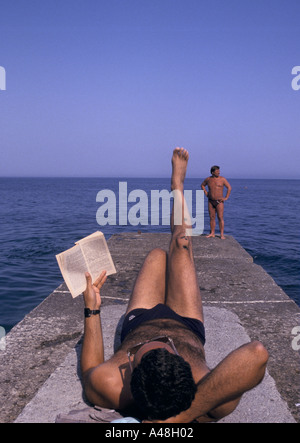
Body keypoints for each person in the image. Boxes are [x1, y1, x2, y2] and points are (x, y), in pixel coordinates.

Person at [80, 148, 268, 423]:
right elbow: (257, 355)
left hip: (140, 319)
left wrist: (91, 308)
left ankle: (176, 186)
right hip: (187, 323)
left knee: (157, 255)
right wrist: (184, 416)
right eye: (167, 345)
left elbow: (88, 373)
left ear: (130, 366)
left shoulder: (112, 386)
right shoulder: (200, 387)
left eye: (140, 350)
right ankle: (177, 186)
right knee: (182, 242)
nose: (159, 340)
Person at [201, 166, 232, 239]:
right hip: (210, 201)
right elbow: (202, 185)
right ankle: (212, 233)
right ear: (212, 172)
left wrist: (226, 197)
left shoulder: (222, 179)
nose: (219, 172)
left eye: (219, 171)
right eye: (217, 171)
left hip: (219, 201)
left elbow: (229, 188)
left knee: (220, 217)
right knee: (212, 217)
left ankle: (221, 234)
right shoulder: (208, 179)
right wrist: (205, 192)